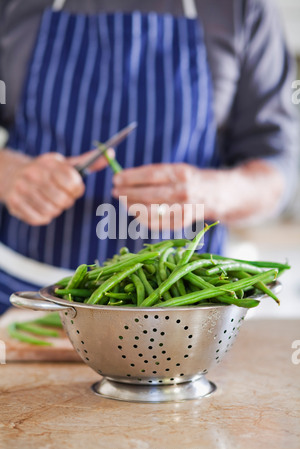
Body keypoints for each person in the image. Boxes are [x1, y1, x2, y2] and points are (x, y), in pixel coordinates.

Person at [0, 0, 298, 314]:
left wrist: (209, 192)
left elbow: (278, 168)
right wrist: (8, 174)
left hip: (183, 306)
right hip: (28, 295)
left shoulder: (241, 8)